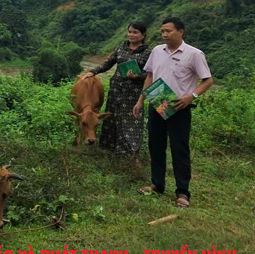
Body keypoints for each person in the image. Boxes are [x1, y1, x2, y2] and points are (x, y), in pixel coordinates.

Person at [133, 17, 213, 208]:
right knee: (156, 146)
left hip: (179, 108)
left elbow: (207, 80)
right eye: (162, 32)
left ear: (181, 32)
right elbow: (150, 75)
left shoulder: (194, 54)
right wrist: (140, 100)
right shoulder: (157, 51)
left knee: (180, 150)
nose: (164, 35)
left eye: (168, 31)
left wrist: (190, 96)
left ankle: (183, 192)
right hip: (157, 104)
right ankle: (157, 184)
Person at [82, 22, 151, 155]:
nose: (131, 35)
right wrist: (93, 72)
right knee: (112, 118)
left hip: (133, 93)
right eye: (130, 31)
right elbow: (108, 63)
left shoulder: (148, 53)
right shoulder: (121, 48)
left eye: (135, 32)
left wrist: (138, 76)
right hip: (116, 90)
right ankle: (109, 148)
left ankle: (128, 151)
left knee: (131, 119)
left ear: (143, 35)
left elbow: (151, 74)